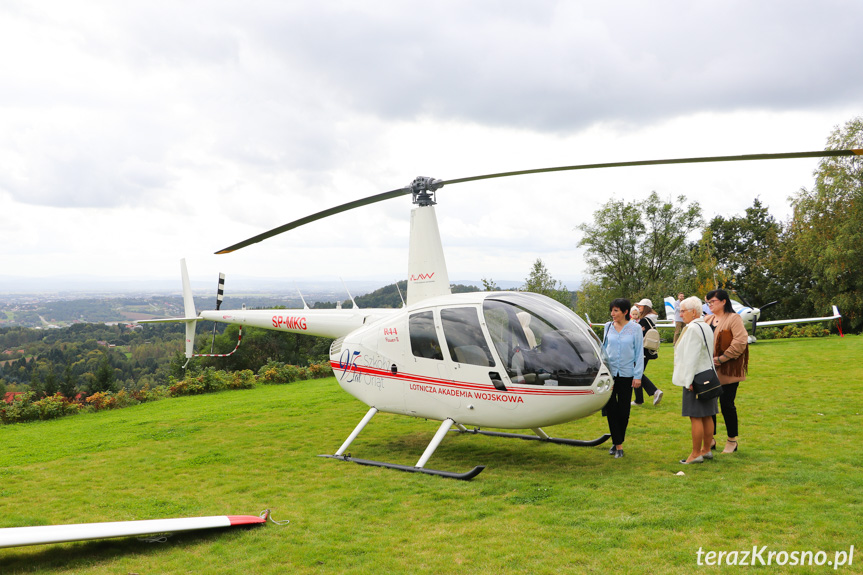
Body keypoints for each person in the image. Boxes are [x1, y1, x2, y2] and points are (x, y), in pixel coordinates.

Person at [672, 296, 718, 464]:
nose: (680, 314)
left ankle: (695, 454)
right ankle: (706, 450)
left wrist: (688, 380)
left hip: (696, 378)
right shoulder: (705, 325)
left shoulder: (692, 328)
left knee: (696, 416)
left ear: (693, 312)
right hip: (709, 376)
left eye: (683, 311)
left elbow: (691, 357)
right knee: (707, 415)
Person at [703, 288, 748, 454]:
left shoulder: (733, 318)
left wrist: (723, 358)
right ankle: (710, 439)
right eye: (708, 302)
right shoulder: (707, 319)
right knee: (709, 404)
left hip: (727, 370)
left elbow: (740, 341)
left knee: (727, 404)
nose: (710, 305)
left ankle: (732, 440)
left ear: (723, 301)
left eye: (713, 301)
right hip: (708, 370)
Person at [601, 298, 644, 459]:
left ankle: (617, 441)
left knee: (623, 410)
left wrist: (638, 375)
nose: (612, 314)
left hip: (627, 374)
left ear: (625, 312)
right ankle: (618, 445)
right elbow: (603, 350)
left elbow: (639, 353)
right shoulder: (607, 327)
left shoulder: (635, 329)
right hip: (610, 375)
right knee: (611, 409)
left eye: (616, 311)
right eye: (612, 310)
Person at [632, 298, 664, 407]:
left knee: (637, 373)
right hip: (649, 351)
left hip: (643, 351)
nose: (638, 308)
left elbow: (639, 337)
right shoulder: (651, 320)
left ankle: (655, 391)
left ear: (645, 307)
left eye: (640, 306)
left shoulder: (644, 320)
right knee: (637, 374)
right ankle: (639, 400)